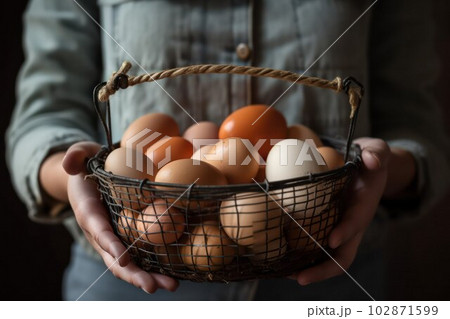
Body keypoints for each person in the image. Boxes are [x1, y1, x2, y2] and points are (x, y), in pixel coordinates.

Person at [6, 0, 450, 300]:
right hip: (128, 283)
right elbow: (45, 115)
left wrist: (382, 165)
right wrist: (73, 173)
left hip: (329, 281)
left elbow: (415, 123)